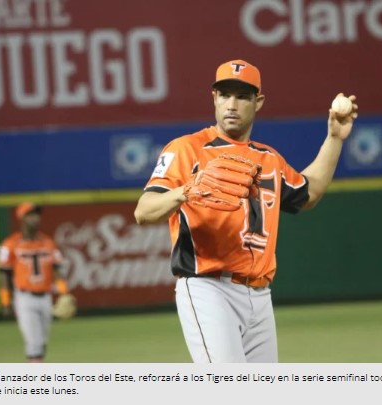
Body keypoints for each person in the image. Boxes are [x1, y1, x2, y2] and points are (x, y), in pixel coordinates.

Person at [134, 59, 358, 363]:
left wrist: (334, 138)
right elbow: (144, 211)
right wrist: (185, 190)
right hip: (208, 288)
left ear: (258, 102)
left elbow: (310, 192)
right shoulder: (187, 149)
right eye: (224, 94)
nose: (231, 104)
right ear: (214, 98)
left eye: (242, 96)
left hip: (260, 295)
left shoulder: (268, 158)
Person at [0, 202, 69, 362]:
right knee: (34, 344)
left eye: (36, 215)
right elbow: (4, 274)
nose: (35, 218)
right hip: (25, 298)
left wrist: (64, 292)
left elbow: (56, 270)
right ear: (22, 219)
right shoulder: (10, 244)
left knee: (42, 344)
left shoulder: (48, 242)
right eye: (30, 215)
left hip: (45, 298)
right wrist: (5, 301)